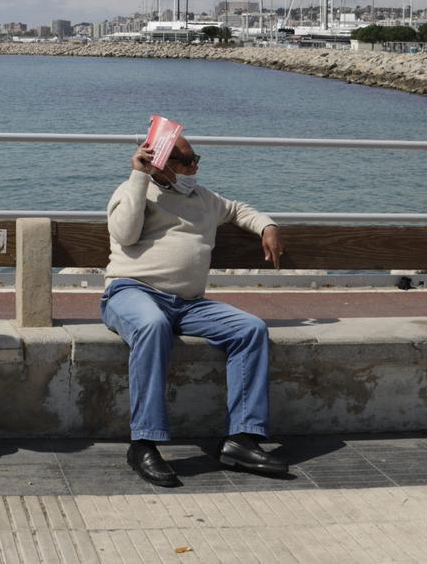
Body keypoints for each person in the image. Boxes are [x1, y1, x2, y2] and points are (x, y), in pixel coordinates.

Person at [100, 130, 288, 487]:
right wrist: (139, 176)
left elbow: (237, 209)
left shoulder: (204, 198)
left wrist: (267, 224)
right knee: (152, 326)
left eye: (196, 159)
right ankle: (144, 443)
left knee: (250, 329)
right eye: (185, 161)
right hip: (131, 292)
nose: (194, 167)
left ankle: (242, 440)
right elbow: (123, 234)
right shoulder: (132, 190)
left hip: (188, 304)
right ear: (160, 164)